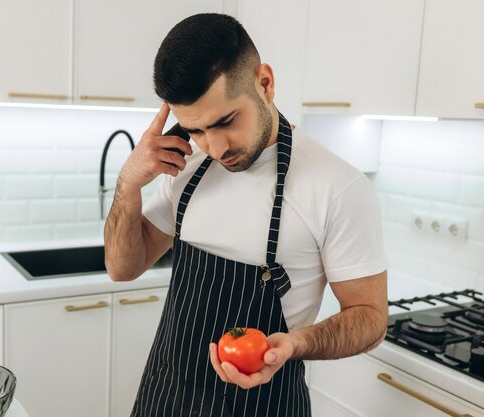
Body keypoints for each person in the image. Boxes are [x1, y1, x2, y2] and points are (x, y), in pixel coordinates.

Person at [104, 13, 387, 417]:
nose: (216, 147)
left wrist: (294, 344)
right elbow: (122, 268)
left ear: (265, 83)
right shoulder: (187, 168)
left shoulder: (337, 186)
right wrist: (128, 185)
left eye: (226, 121)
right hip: (165, 397)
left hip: (264, 406)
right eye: (196, 130)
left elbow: (371, 318)